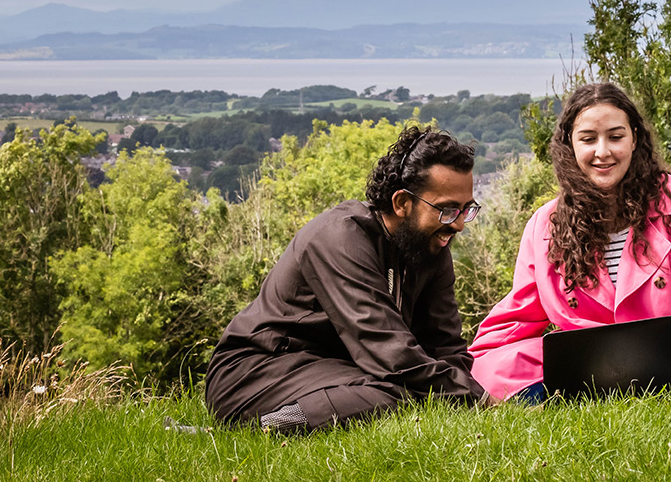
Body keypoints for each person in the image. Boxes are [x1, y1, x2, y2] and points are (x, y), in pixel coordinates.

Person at [471, 82, 671, 402]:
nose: (602, 151)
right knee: (495, 368)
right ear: (570, 145)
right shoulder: (546, 226)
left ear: (635, 138)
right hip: (588, 379)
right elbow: (516, 319)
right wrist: (463, 371)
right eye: (588, 139)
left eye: (615, 137)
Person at [204, 126, 485, 432]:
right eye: (446, 209)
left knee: (416, 391)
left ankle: (287, 420)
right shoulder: (340, 238)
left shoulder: (430, 245)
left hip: (339, 369)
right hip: (257, 370)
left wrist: (469, 399)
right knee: (398, 393)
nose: (458, 224)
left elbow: (446, 347)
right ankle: (257, 429)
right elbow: (391, 352)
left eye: (466, 209)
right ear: (402, 202)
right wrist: (480, 401)